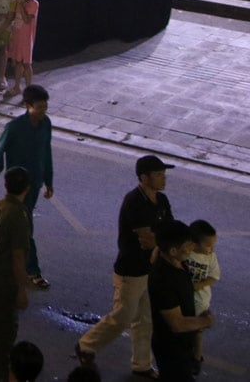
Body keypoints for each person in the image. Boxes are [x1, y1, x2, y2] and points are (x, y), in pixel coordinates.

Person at [76, 154, 177, 377]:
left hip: (149, 270)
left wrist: (164, 239)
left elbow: (167, 232)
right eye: (158, 175)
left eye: (164, 174)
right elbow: (147, 240)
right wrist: (165, 241)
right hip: (131, 271)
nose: (164, 179)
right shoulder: (134, 201)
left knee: (145, 320)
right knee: (123, 316)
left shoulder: (161, 201)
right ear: (144, 177)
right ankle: (86, 345)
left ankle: (141, 364)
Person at [0, 85, 54, 289]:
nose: (43, 112)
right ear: (27, 106)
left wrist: (49, 182)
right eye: (39, 107)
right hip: (16, 186)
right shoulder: (14, 128)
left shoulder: (46, 124)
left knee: (18, 225)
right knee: (25, 229)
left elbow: (47, 155)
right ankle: (32, 270)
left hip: (34, 185)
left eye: (45, 107)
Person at [148, 220, 214, 381]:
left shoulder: (176, 261)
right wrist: (204, 321)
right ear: (173, 250)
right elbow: (177, 324)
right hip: (171, 349)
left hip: (182, 345)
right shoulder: (164, 280)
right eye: (188, 245)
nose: (192, 247)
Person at [0, 167, 32, 379]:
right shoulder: (18, 215)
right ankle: (4, 372)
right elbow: (18, 257)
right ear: (27, 188)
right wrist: (22, 289)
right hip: (6, 279)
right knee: (6, 330)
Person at [183, 219, 219, 372]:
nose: (212, 249)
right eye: (208, 245)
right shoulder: (186, 253)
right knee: (184, 329)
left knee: (197, 331)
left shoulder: (210, 257)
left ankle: (196, 358)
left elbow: (214, 276)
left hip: (200, 301)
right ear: (194, 244)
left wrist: (198, 285)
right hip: (183, 299)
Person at [5, 0, 39, 97]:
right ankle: (17, 85)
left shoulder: (34, 4)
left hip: (26, 38)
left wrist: (22, 6)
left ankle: (29, 88)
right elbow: (13, 17)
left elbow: (27, 19)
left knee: (26, 64)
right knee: (17, 62)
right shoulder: (17, 3)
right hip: (17, 35)